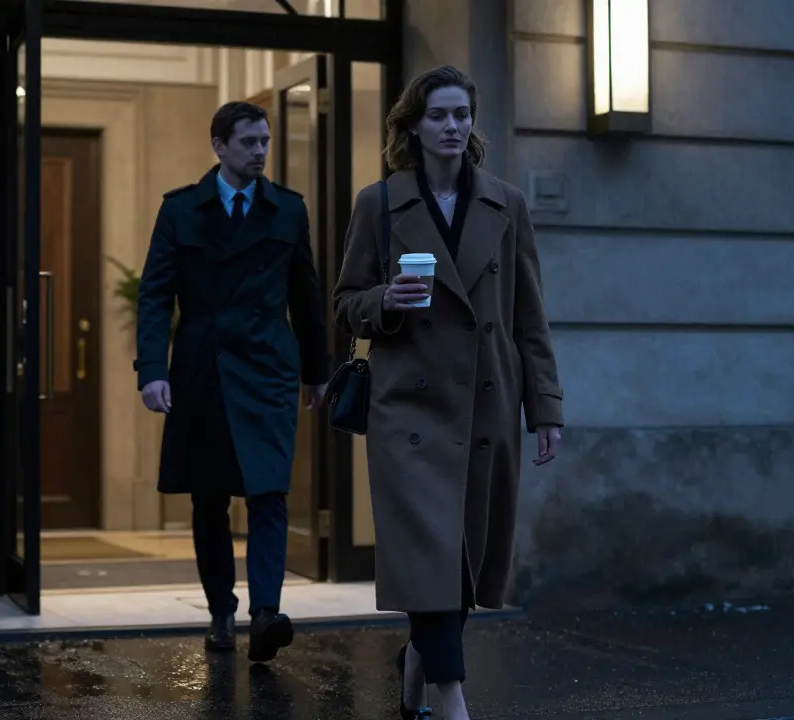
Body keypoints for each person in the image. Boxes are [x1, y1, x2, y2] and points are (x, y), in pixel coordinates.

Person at [332, 66, 563, 720]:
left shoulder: (506, 204)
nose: (454, 126)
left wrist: (546, 408)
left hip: (486, 399)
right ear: (413, 125)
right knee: (430, 550)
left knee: (461, 557)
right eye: (439, 115)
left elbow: (529, 317)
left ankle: (418, 661)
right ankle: (448, 696)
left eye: (462, 114)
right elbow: (345, 305)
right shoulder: (379, 204)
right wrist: (385, 302)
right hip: (408, 407)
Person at [135, 101, 329, 664]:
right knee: (209, 498)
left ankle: (265, 614)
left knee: (270, 491)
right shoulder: (180, 210)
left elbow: (307, 296)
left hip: (268, 368)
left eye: (264, 141)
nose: (260, 151)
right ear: (218, 145)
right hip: (202, 370)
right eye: (248, 142)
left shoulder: (287, 211)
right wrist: (152, 371)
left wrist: (317, 371)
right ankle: (221, 609)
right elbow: (155, 295)